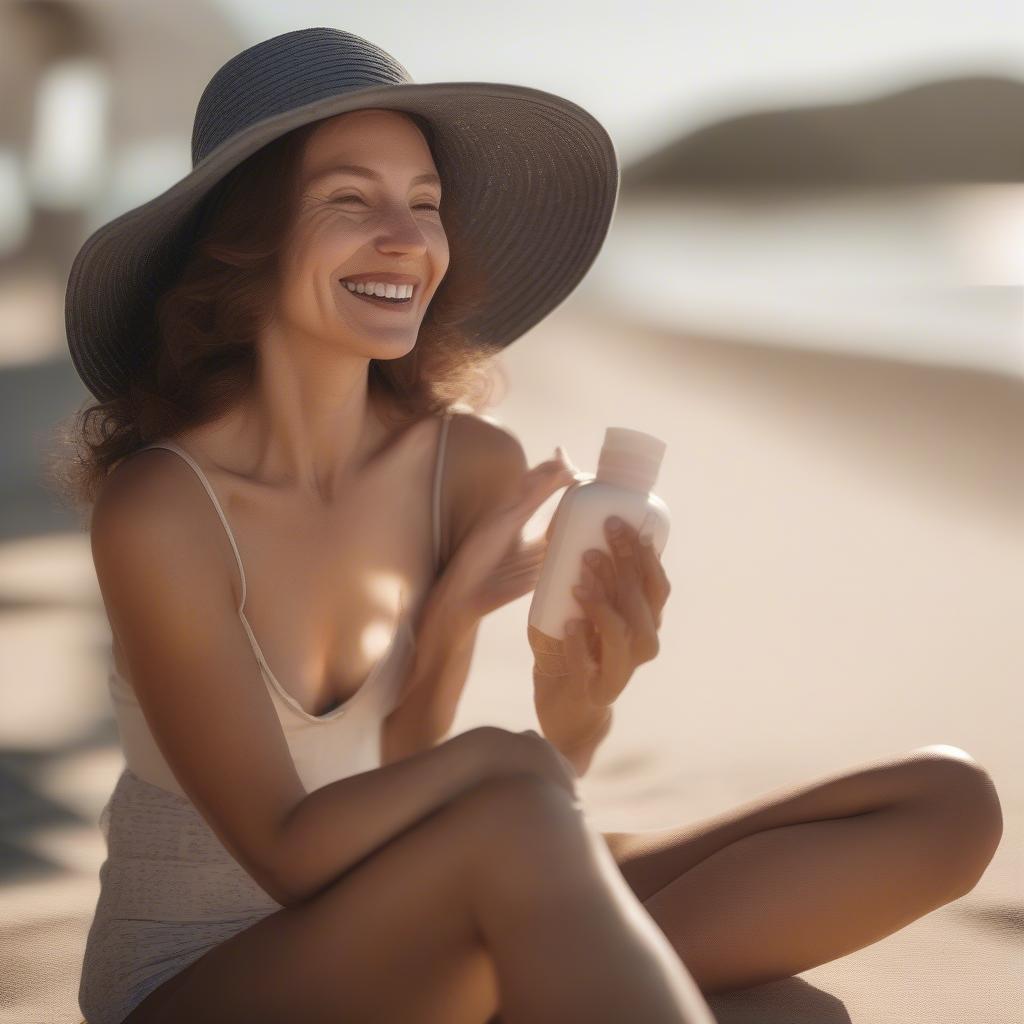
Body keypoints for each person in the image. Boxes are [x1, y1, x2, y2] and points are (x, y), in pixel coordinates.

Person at [62, 26, 716, 1024]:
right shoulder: (164, 509)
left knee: (935, 803)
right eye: (348, 199)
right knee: (511, 817)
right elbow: (285, 852)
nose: (407, 239)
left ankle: (557, 955)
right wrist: (517, 758)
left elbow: (409, 790)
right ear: (247, 240)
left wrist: (557, 703)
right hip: (198, 983)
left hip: (402, 922)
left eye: (425, 203)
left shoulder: (468, 466)